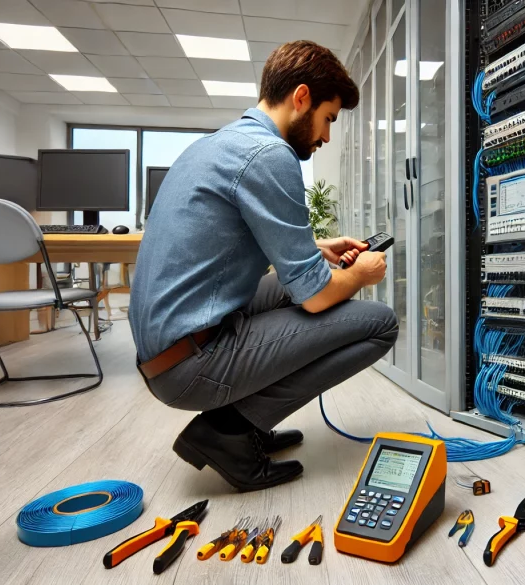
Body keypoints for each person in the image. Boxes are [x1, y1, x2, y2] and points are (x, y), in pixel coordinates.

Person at [129, 41, 398, 492]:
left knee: (295, 286)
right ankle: (228, 430)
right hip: (188, 366)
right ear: (302, 97)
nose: (327, 136)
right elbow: (314, 299)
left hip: (165, 351)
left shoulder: (222, 142)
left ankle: (243, 424)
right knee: (379, 323)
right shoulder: (271, 156)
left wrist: (316, 246)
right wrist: (361, 273)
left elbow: (227, 234)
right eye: (328, 119)